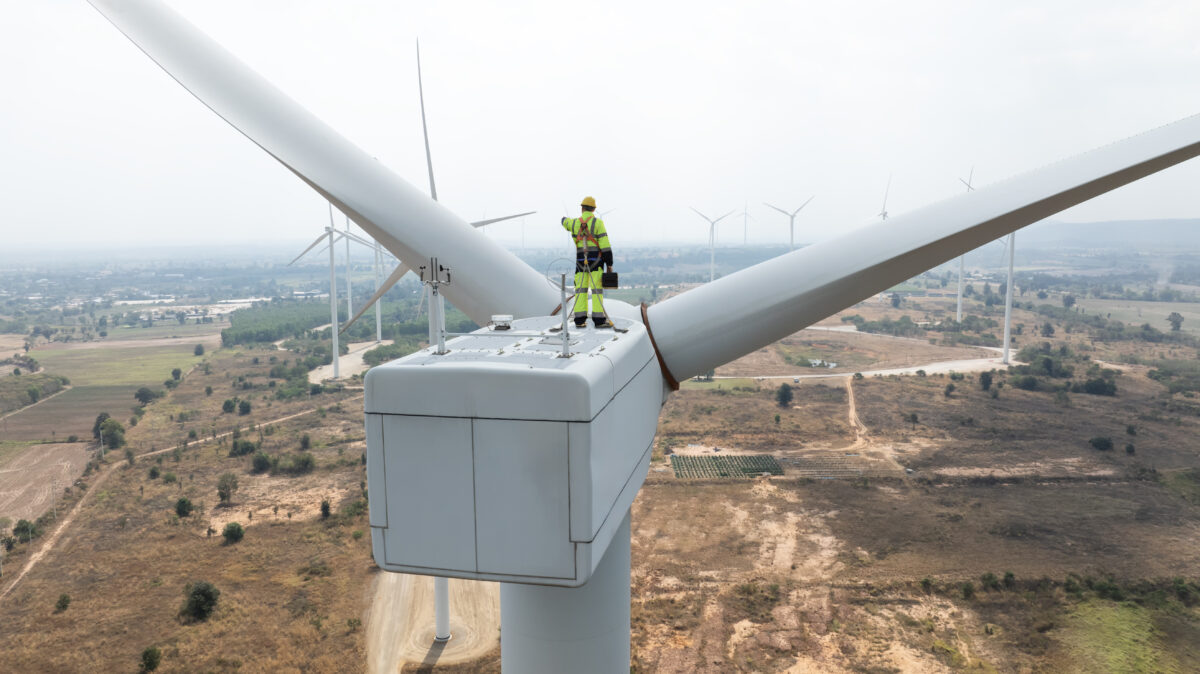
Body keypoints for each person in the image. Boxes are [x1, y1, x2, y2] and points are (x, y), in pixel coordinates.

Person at [561, 196, 613, 327]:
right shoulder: (598, 223)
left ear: (582, 208)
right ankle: (599, 320)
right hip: (596, 262)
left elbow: (565, 222)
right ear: (594, 209)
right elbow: (605, 245)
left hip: (580, 263)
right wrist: (609, 263)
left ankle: (579, 320)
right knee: (596, 291)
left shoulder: (574, 223)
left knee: (580, 290)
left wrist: (563, 219)